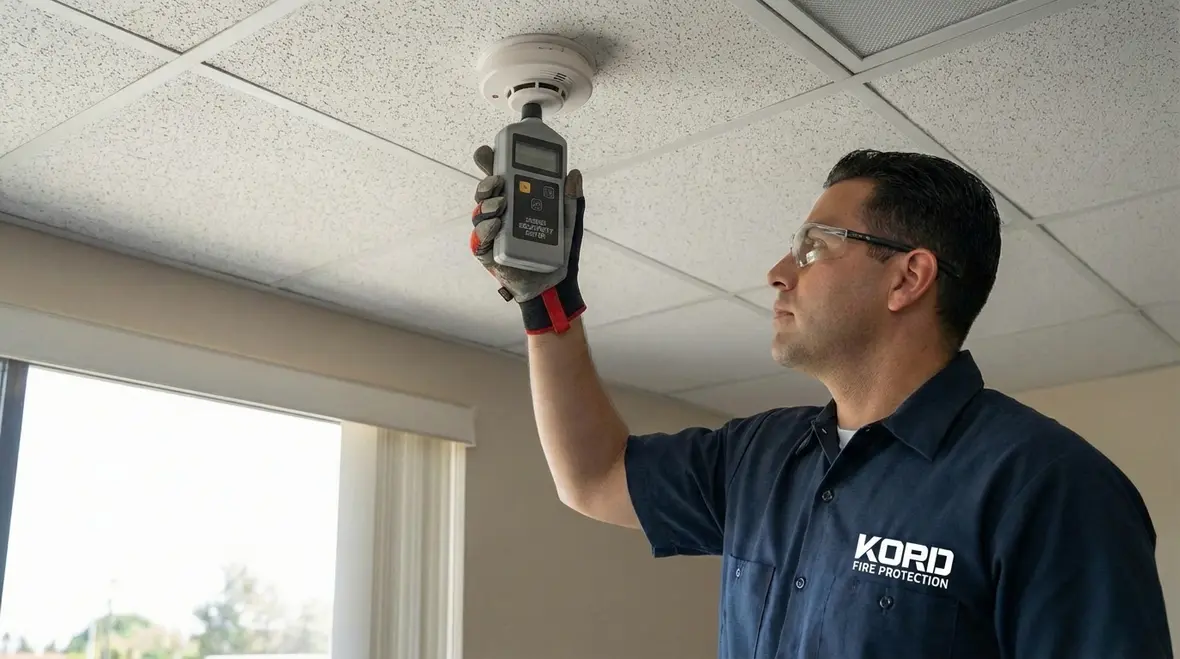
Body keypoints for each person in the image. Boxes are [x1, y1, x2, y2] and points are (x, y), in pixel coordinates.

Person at [467, 146, 1173, 659]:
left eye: (812, 247)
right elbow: (592, 477)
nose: (777, 273)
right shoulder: (761, 457)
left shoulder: (1051, 487)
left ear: (908, 278)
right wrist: (546, 300)